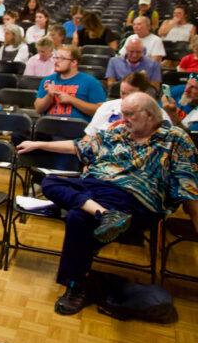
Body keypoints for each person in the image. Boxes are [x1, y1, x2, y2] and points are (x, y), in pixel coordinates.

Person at [16, 93, 198, 315]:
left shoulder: (175, 139)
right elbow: (79, 146)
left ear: (150, 114)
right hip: (95, 188)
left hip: (135, 198)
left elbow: (188, 187)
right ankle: (104, 215)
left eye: (129, 114)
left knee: (77, 216)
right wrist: (38, 144)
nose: (124, 118)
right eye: (123, 113)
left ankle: (75, 286)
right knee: (50, 181)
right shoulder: (118, 131)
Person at [34, 46, 106, 120]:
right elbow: (38, 110)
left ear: (74, 62)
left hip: (76, 128)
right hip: (50, 127)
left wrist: (72, 100)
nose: (56, 61)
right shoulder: (48, 80)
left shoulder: (91, 82)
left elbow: (100, 111)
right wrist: (49, 96)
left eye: (62, 58)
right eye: (56, 58)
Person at [86, 72, 169, 136]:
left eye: (130, 94)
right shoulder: (106, 107)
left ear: (144, 93)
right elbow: (89, 135)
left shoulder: (159, 114)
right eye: (122, 93)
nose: (125, 98)